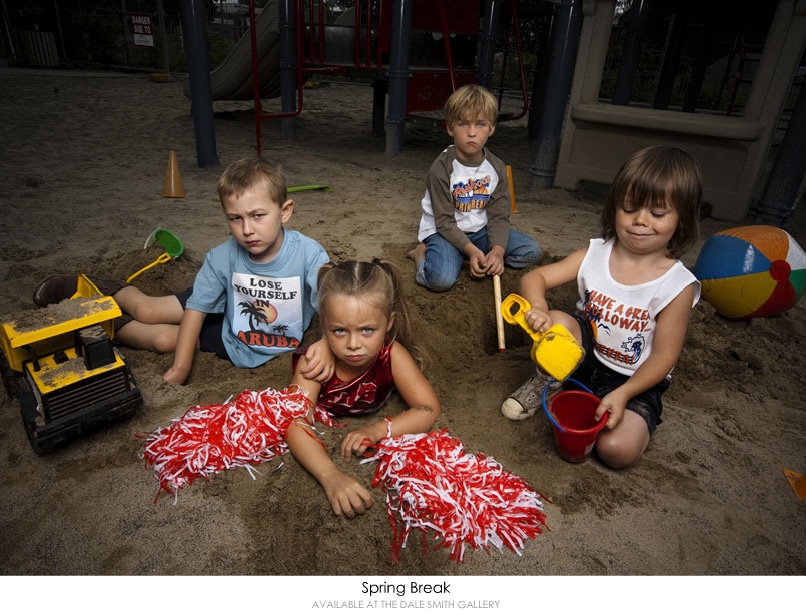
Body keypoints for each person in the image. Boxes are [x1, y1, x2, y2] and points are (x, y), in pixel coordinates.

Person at [32, 156, 331, 385]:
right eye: (235, 219)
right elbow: (197, 310)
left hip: (238, 336)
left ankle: (109, 326)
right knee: (149, 311)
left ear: (285, 211)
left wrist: (327, 346)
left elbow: (334, 308)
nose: (248, 230)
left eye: (258, 216)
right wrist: (180, 369)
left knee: (163, 340)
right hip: (228, 307)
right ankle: (97, 286)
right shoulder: (223, 257)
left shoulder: (309, 255)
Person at [501, 145, 702, 469]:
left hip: (634, 380)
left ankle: (626, 415)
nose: (640, 220)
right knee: (555, 322)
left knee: (616, 451)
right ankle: (549, 382)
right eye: (629, 208)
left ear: (681, 219)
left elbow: (665, 357)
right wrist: (537, 306)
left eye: (658, 213)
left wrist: (624, 395)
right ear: (614, 208)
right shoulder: (594, 255)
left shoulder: (676, 285)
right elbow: (535, 276)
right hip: (584, 357)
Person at [285, 259, 441, 518]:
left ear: (389, 323)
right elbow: (294, 422)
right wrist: (330, 475)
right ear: (324, 323)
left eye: (367, 330)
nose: (353, 344)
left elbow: (428, 407)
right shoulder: (315, 363)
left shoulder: (391, 354)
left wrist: (379, 429)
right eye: (339, 331)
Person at [408, 84, 541, 292]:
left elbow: (498, 216)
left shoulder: (496, 168)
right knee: (440, 280)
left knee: (531, 250)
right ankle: (421, 255)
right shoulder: (441, 168)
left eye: (480, 124)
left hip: (479, 230)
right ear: (450, 128)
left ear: (492, 128)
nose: (472, 133)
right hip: (444, 232)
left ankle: (468, 257)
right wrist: (471, 250)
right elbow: (443, 221)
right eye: (463, 124)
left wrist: (497, 251)